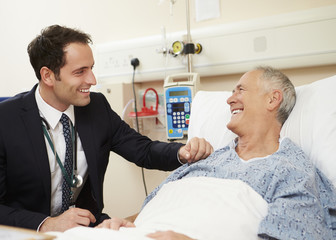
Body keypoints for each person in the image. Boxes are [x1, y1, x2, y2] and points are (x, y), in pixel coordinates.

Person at [0, 25, 213, 233]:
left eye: (91, 68)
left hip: (85, 229)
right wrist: (47, 224)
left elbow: (143, 150)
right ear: (48, 75)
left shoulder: (96, 107)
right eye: (80, 72)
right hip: (27, 231)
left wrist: (181, 153)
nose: (92, 79)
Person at [97, 66, 336, 239]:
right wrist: (123, 225)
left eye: (240, 90)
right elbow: (154, 209)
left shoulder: (292, 171)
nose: (230, 99)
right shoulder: (203, 160)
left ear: (273, 99)